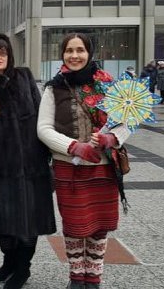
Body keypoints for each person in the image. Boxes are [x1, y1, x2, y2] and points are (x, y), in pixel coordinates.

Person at [37, 33, 131, 289]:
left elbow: (127, 121)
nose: (74, 55)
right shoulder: (53, 87)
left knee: (100, 227)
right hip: (70, 169)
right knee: (75, 227)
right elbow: (43, 129)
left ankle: (94, 277)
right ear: (62, 54)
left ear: (89, 53)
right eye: (69, 50)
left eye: (80, 50)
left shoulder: (109, 85)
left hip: (104, 169)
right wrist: (73, 147)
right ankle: (77, 277)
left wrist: (113, 137)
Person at [0, 34, 56, 289]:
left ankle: (23, 268)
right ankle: (9, 261)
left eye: (2, 52)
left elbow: (41, 112)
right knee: (3, 219)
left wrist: (49, 154)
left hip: (30, 162)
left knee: (28, 221)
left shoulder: (24, 76)